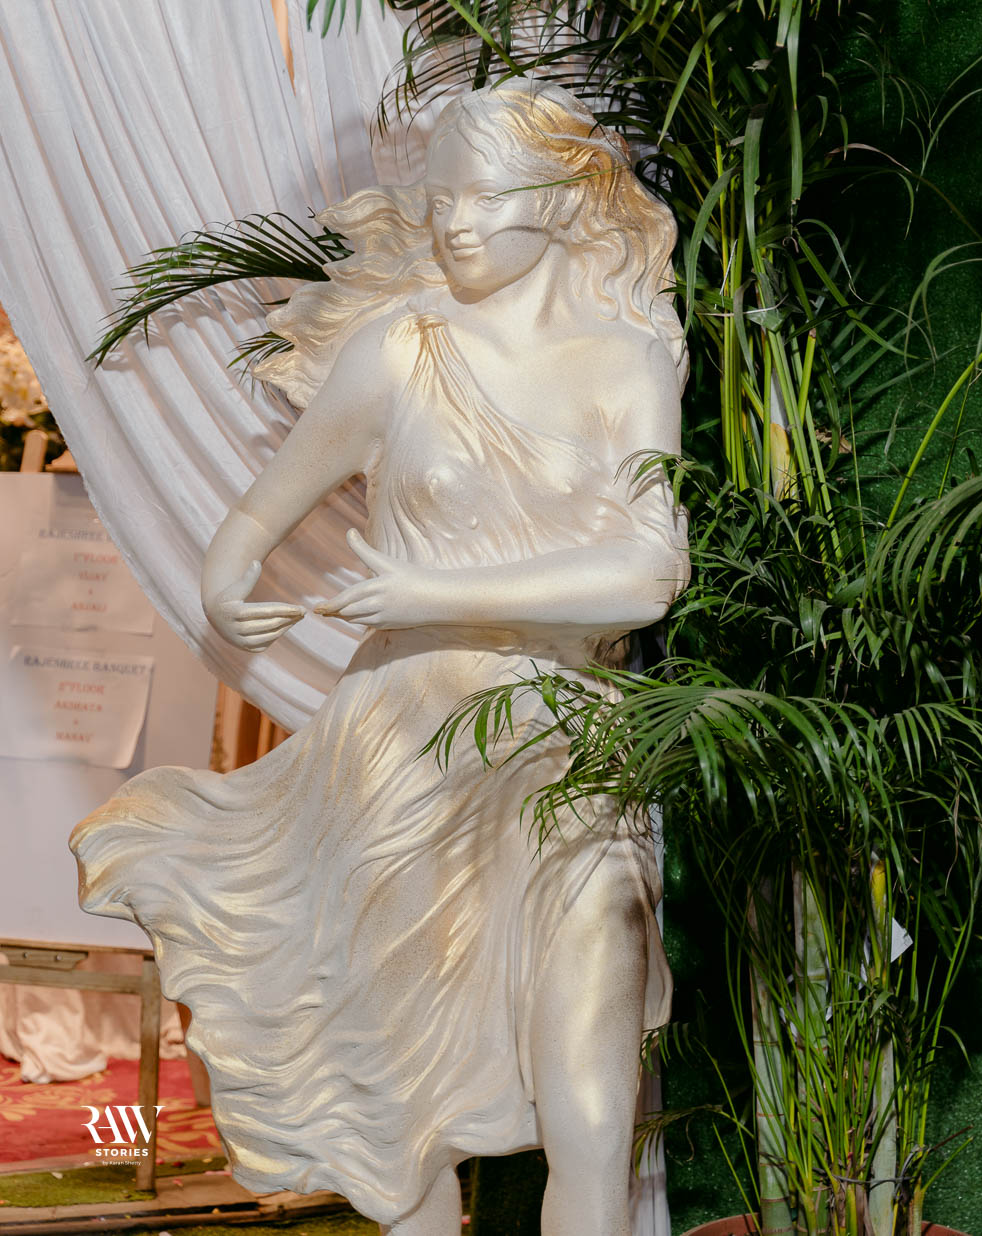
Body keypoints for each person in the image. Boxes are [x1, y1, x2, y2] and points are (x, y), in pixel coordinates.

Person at [71, 82, 690, 1236]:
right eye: (440, 200)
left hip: (573, 757)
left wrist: (432, 591)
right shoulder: (398, 352)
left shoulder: (627, 361)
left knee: (592, 1109)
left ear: (559, 201)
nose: (455, 224)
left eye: (485, 198)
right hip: (405, 756)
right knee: (406, 1107)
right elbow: (255, 521)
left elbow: (647, 576)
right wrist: (225, 580)